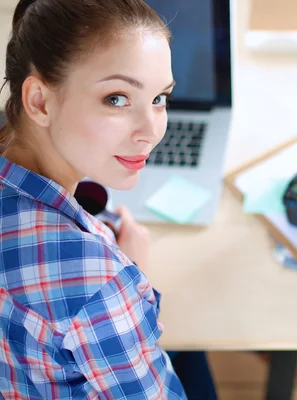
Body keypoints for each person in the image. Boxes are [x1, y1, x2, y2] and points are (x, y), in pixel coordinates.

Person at [0, 0, 217, 398]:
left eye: (159, 98)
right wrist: (133, 276)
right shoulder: (101, 284)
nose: (151, 132)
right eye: (116, 98)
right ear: (39, 101)